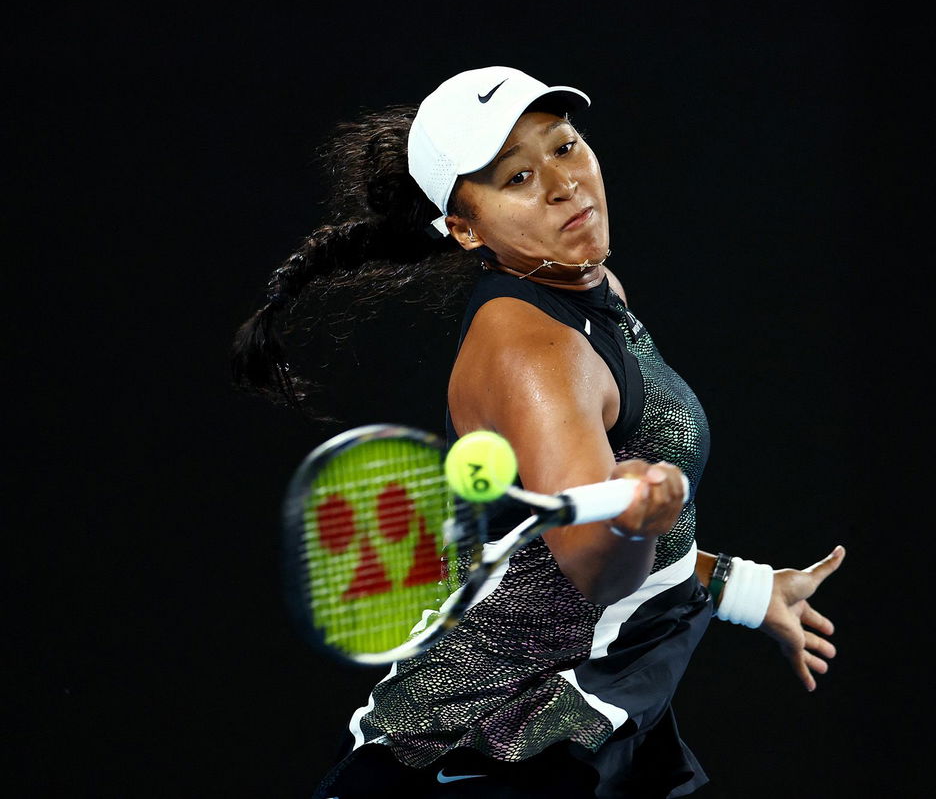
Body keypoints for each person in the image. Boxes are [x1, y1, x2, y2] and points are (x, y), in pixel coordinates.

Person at [231, 66, 845, 798]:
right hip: (485, 751)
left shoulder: (594, 289)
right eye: (517, 177)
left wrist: (741, 587)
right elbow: (597, 569)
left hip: (587, 725)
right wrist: (631, 520)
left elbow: (563, 566)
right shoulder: (531, 350)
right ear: (466, 229)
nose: (563, 184)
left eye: (564, 146)